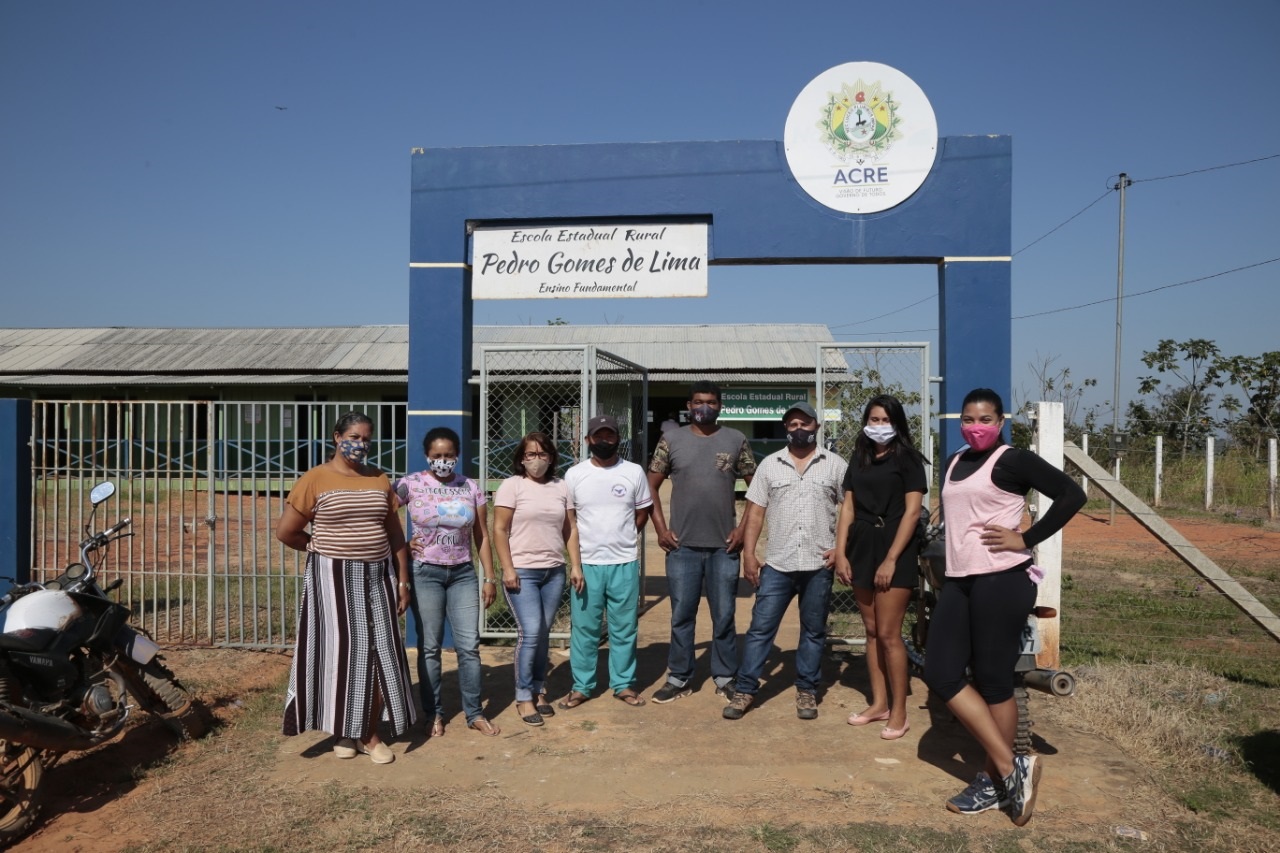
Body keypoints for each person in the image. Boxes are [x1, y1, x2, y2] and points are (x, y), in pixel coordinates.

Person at [922, 388, 1085, 825]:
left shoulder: (1012, 459)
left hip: (1003, 579)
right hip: (960, 580)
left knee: (994, 681)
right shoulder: (956, 460)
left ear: (1001, 421)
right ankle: (1014, 767)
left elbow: (1072, 495)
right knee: (940, 671)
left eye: (986, 419)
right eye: (969, 418)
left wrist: (1026, 538)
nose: (977, 426)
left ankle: (993, 780)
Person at [276, 411, 416, 765]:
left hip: (378, 575)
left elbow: (394, 532)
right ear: (337, 437)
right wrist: (318, 547)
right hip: (333, 578)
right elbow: (286, 531)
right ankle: (348, 731)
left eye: (367, 438)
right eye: (354, 436)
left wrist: (403, 579)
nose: (361, 444)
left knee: (380, 651)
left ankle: (369, 732)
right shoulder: (315, 479)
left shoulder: (379, 478)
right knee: (344, 655)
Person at [724, 403, 847, 721]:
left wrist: (840, 549)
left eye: (804, 423)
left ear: (817, 427)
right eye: (792, 424)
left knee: (813, 630)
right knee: (760, 629)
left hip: (819, 565)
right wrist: (749, 555)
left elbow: (849, 510)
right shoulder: (770, 466)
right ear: (785, 429)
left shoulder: (835, 465)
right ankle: (746, 689)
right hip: (778, 564)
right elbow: (755, 513)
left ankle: (807, 689)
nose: (798, 429)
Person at [647, 380, 757, 703]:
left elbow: (758, 487)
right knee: (682, 613)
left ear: (719, 406)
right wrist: (660, 529)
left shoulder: (736, 440)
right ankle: (679, 677)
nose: (703, 407)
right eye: (697, 402)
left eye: (709, 402)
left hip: (725, 546)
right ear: (688, 405)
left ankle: (725, 675)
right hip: (682, 546)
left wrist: (743, 529)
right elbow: (650, 485)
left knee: (724, 614)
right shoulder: (671, 440)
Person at [395, 426, 500, 739]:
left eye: (449, 455)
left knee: (469, 646)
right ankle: (434, 714)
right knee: (430, 647)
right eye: (437, 455)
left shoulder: (470, 486)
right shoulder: (409, 483)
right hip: (425, 572)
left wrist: (489, 576)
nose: (443, 461)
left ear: (457, 456)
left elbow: (481, 534)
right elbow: (382, 514)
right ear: (427, 455)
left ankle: (474, 713)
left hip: (463, 574)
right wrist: (401, 543)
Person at [834, 395, 929, 740]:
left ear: (897, 424)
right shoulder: (858, 458)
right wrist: (841, 552)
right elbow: (847, 507)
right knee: (871, 632)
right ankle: (879, 704)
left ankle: (900, 713)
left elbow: (913, 512)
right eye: (873, 419)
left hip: (895, 547)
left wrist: (891, 558)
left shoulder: (909, 461)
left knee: (889, 635)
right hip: (861, 546)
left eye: (885, 420)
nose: (878, 426)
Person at [559, 415, 653, 709]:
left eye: (609, 436)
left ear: (618, 438)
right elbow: (569, 522)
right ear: (588, 440)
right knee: (585, 629)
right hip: (587, 564)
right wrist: (576, 562)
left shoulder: (634, 472)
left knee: (624, 627)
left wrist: (622, 537)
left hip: (624, 562)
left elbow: (642, 513)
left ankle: (623, 684)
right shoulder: (574, 475)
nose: (604, 441)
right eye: (598, 436)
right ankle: (582, 686)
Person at [493, 431, 580, 726]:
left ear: (552, 458)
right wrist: (507, 568)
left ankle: (539, 688)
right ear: (521, 458)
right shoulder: (511, 486)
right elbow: (499, 530)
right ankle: (523, 696)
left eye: (542, 454)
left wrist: (575, 566)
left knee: (542, 634)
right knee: (530, 633)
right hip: (522, 572)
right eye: (530, 454)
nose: (536, 460)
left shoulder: (561, 486)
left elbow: (570, 529)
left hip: (553, 571)